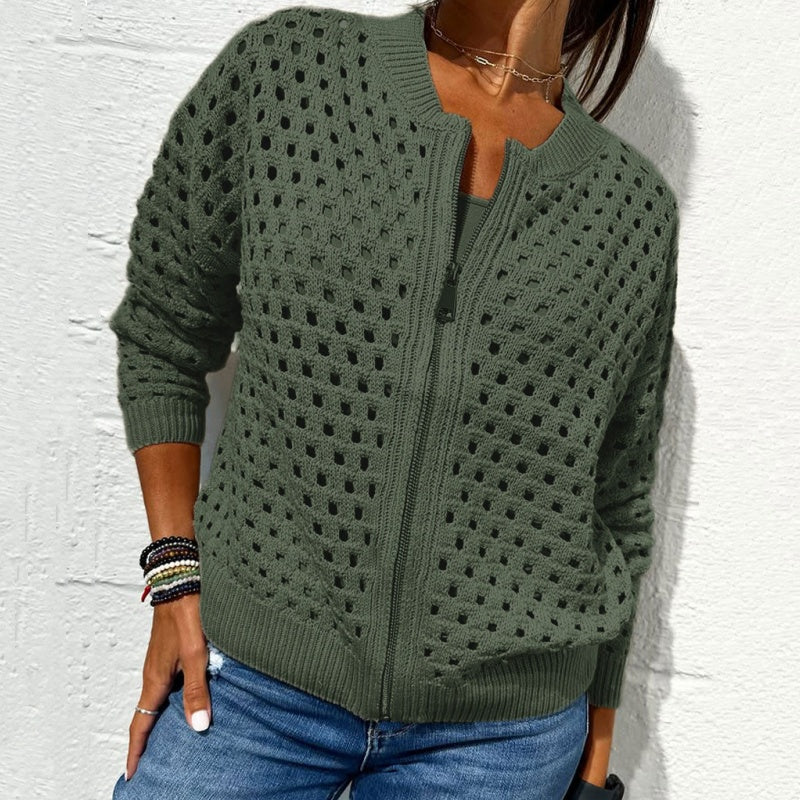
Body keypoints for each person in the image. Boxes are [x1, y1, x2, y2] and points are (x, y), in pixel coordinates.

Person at [109, 1, 679, 798]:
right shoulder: (290, 73)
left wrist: (603, 725)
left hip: (500, 739)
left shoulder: (632, 210)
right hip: (252, 686)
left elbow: (616, 489)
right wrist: (174, 576)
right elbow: (165, 329)